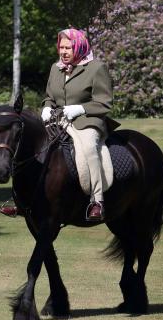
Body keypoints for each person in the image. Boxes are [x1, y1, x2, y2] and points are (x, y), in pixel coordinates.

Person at [40, 28, 119, 221]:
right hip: (57, 120)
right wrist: (46, 107)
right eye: (61, 47)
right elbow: (50, 97)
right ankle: (23, 198)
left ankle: (97, 201)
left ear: (79, 47)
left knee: (90, 149)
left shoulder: (96, 68)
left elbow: (104, 102)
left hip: (87, 121)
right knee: (31, 143)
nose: (63, 52)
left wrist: (80, 109)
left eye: (68, 47)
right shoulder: (55, 67)